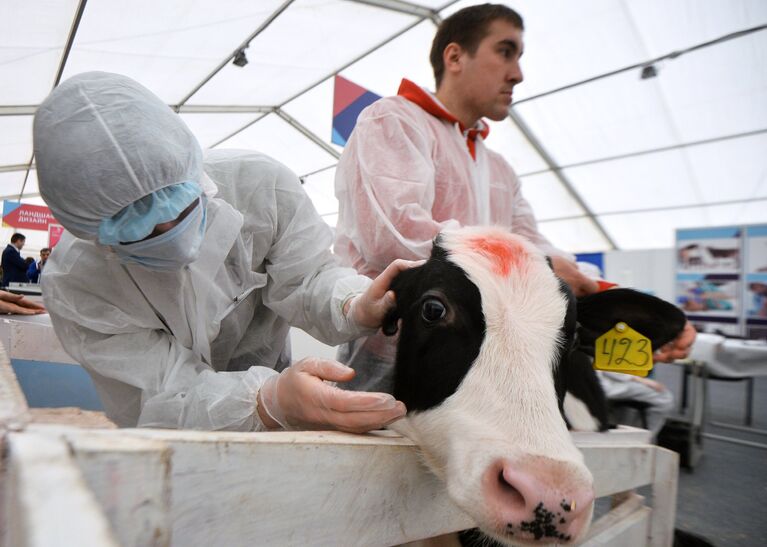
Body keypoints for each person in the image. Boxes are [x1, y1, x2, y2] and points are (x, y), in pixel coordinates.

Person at [333, 4, 695, 393]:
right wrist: (535, 263)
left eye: (519, 56)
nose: (518, 74)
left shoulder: (500, 170)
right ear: (454, 56)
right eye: (505, 51)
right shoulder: (394, 121)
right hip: (392, 359)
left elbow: (537, 247)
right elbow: (396, 239)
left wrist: (637, 313)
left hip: (482, 367)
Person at [33, 71, 414, 433]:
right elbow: (166, 393)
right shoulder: (78, 284)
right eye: (141, 233)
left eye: (183, 209)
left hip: (281, 385)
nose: (173, 236)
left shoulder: (259, 186)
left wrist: (351, 303)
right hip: (169, 439)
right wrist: (269, 401)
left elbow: (308, 277)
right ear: (91, 232)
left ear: (194, 172)